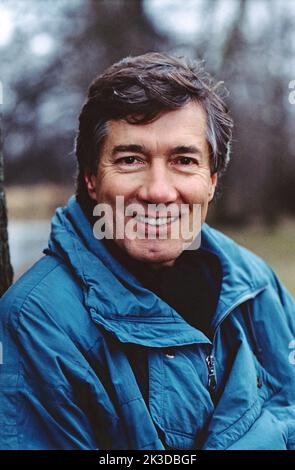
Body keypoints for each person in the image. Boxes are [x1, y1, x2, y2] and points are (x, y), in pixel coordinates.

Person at [0, 52, 294, 451]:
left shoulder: (255, 284)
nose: (157, 190)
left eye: (183, 160)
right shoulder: (38, 321)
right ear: (91, 179)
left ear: (210, 181)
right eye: (131, 159)